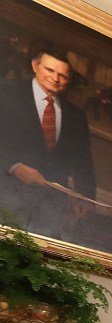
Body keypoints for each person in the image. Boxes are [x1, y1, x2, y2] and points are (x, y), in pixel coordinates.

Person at [0, 48, 96, 241]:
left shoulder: (75, 115)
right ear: (35, 65)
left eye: (62, 75)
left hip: (49, 211)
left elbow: (82, 160)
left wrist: (86, 197)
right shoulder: (6, 93)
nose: (55, 78)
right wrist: (14, 167)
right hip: (7, 198)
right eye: (50, 70)